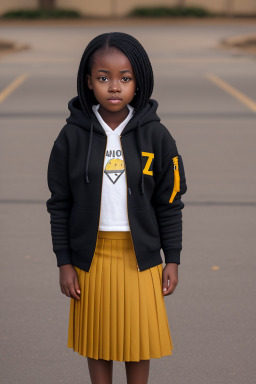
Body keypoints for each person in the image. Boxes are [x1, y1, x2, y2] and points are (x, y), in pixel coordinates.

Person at [46, 31, 187, 384]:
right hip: (90, 258)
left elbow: (170, 202)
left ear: (138, 83)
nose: (114, 87)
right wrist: (65, 262)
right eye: (103, 78)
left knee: (138, 342)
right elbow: (59, 204)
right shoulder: (72, 136)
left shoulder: (156, 135)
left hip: (140, 259)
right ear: (88, 82)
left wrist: (172, 257)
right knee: (99, 341)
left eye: (125, 79)